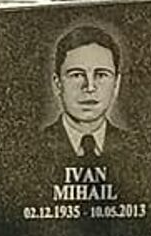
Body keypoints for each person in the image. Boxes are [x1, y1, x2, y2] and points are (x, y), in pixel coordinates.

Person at [44, 25, 127, 160]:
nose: (89, 87)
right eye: (77, 75)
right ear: (57, 84)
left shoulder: (138, 149)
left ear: (116, 84)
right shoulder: (29, 148)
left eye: (101, 75)